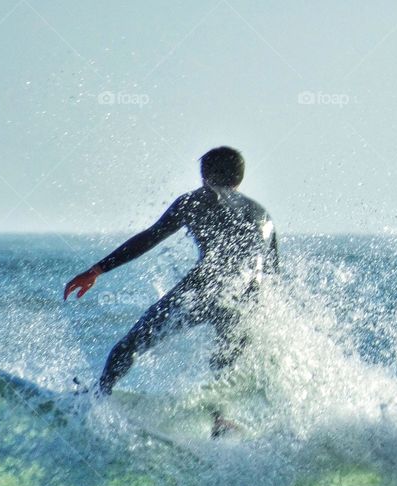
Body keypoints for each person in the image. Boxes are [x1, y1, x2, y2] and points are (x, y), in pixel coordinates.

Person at [63, 147, 279, 419]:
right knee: (223, 363)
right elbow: (271, 275)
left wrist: (96, 270)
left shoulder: (200, 198)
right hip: (246, 298)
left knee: (131, 344)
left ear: (206, 175)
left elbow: (150, 237)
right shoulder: (264, 216)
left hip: (204, 287)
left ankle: (98, 394)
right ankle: (221, 421)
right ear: (240, 178)